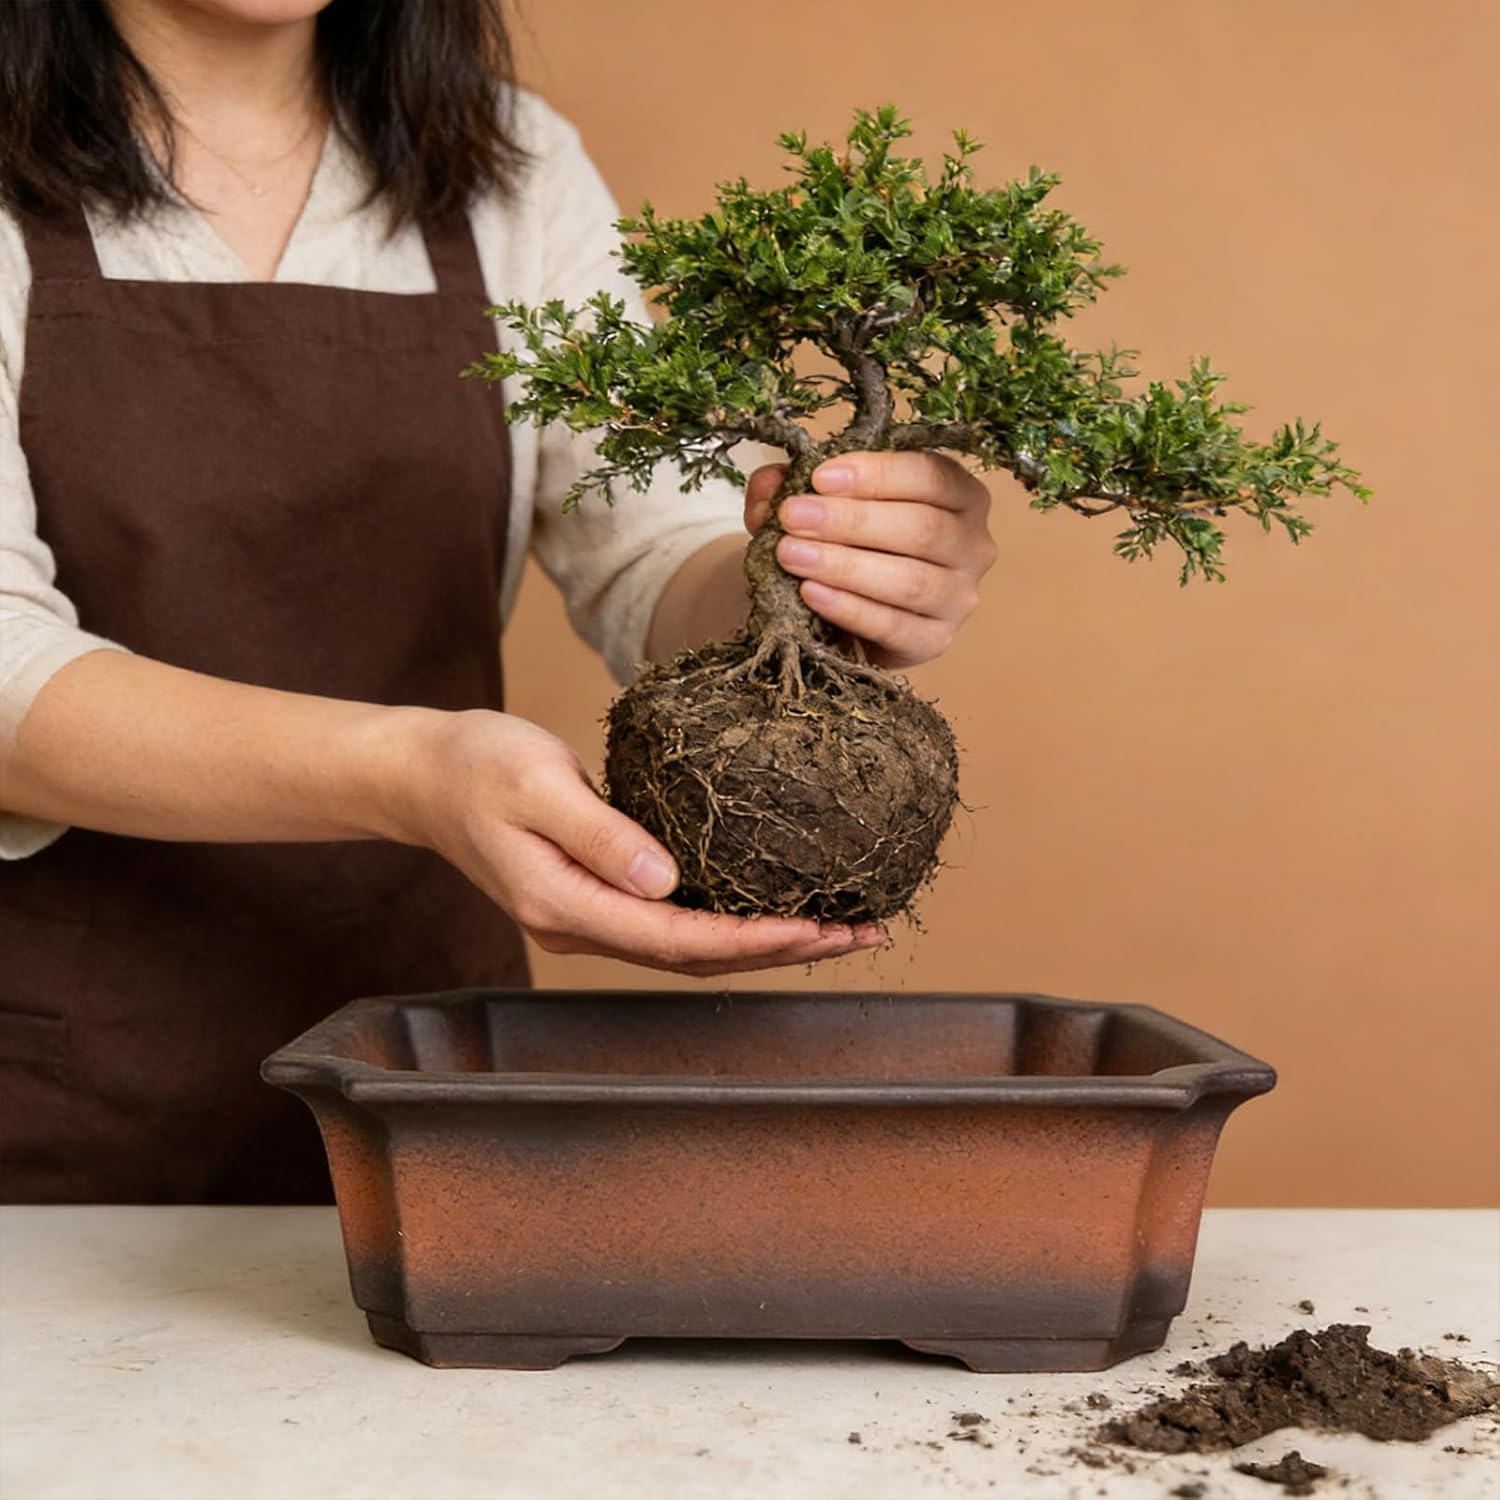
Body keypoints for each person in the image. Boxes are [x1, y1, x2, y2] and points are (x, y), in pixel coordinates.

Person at [0, 0, 997, 1204]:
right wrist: (418, 774)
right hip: (50, 1113)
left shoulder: (505, 165)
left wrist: (826, 577)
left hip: (429, 1091)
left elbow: (650, 553)